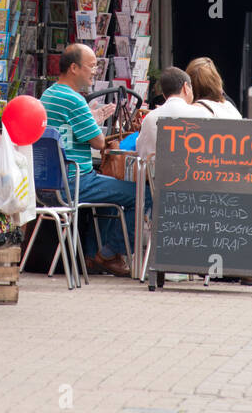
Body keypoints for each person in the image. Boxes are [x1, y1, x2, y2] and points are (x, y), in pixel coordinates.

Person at [40, 44, 148, 278]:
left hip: (49, 186)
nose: (95, 71)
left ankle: (91, 256)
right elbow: (99, 143)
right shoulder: (74, 100)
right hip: (74, 182)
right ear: (74, 68)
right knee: (142, 194)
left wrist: (92, 117)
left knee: (109, 187)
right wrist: (93, 119)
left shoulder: (49, 94)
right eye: (92, 66)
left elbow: (71, 131)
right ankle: (110, 253)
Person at [135, 66, 198, 160]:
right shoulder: (198, 114)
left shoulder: (150, 117)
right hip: (191, 173)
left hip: (156, 173)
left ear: (164, 94)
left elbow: (142, 152)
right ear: (186, 87)